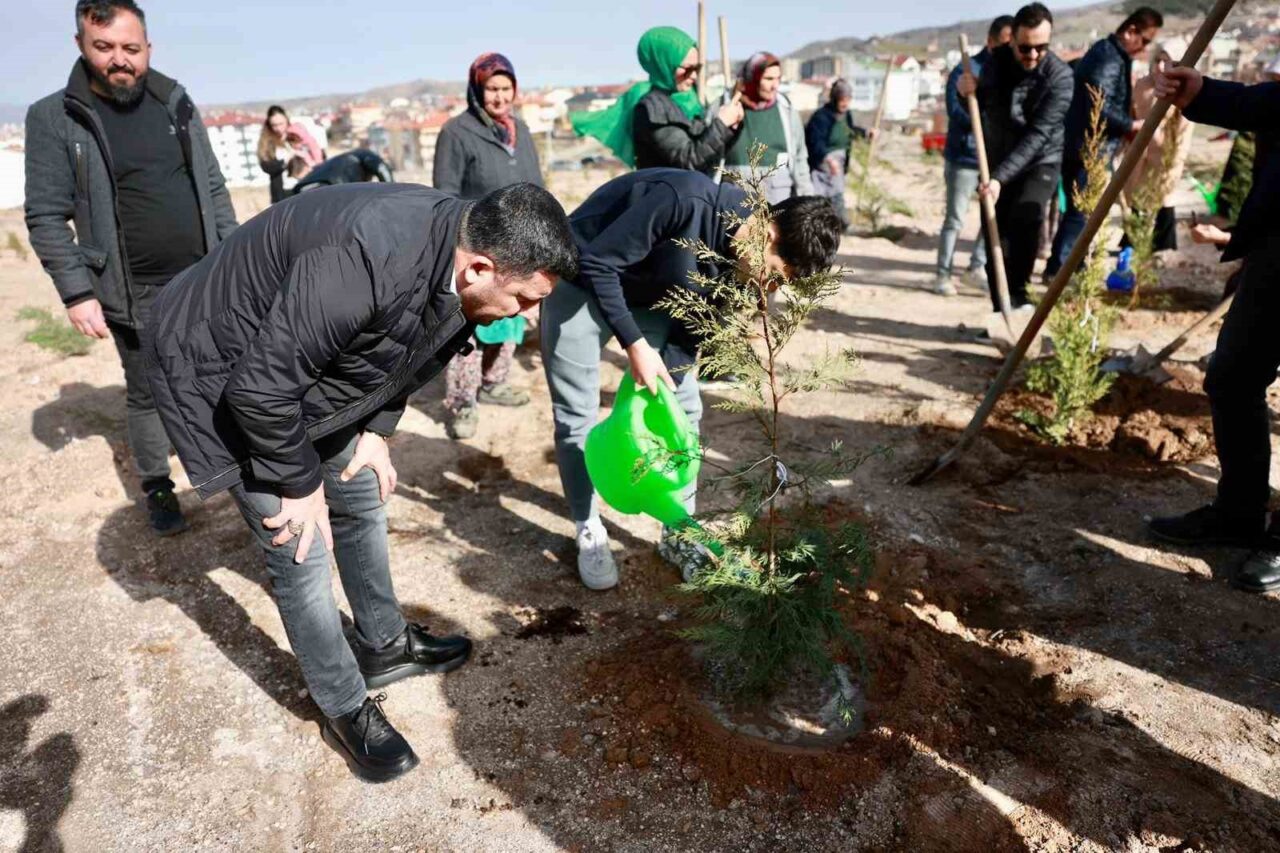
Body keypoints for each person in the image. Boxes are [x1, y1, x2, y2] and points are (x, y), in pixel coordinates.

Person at [144, 181, 579, 780]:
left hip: (293, 363)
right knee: (299, 548)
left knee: (358, 490)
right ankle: (344, 705)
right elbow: (261, 392)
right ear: (481, 267)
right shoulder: (369, 257)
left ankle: (384, 645)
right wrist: (297, 486)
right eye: (525, 300)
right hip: (219, 365)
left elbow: (417, 344)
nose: (528, 318)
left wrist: (378, 426)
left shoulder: (458, 254)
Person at [540, 169, 842, 590]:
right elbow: (598, 263)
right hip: (584, 281)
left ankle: (679, 533)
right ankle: (588, 527)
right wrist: (635, 345)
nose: (766, 287)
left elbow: (690, 326)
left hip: (651, 297)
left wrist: (665, 383)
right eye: (774, 274)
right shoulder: (682, 201)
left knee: (684, 406)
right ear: (768, 234)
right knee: (577, 412)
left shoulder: (740, 266)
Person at [24, 0, 237, 536]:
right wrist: (77, 293)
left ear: (148, 48)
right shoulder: (54, 117)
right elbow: (47, 214)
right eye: (104, 47)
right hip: (130, 288)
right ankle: (157, 484)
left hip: (203, 275)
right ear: (81, 45)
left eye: (131, 48)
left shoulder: (175, 100)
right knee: (147, 392)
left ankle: (235, 469)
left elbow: (212, 187)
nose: (120, 60)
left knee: (225, 374)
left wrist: (236, 259)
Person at [1147, 64, 1280, 594]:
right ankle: (1239, 512)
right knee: (1231, 375)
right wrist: (1203, 95)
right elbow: (1269, 104)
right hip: (1277, 250)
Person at [434, 53, 544, 439]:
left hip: (518, 246)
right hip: (477, 248)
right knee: (468, 329)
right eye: (491, 89)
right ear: (477, 89)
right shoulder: (457, 132)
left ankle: (495, 383)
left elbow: (538, 186)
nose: (499, 97)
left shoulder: (521, 130)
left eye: (505, 89)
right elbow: (445, 197)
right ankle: (463, 403)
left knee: (510, 318)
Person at [959, 3, 1073, 313]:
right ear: (1011, 40)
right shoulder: (997, 63)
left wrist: (999, 178)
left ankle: (1020, 298)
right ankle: (1001, 308)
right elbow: (982, 103)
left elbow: (1038, 135)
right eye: (1025, 48)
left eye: (1041, 48)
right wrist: (965, 90)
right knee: (996, 230)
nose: (1033, 56)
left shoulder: (1060, 78)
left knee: (1026, 220)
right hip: (996, 159)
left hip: (1040, 160)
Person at [1045, 6, 1163, 277]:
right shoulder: (1109, 58)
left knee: (1080, 211)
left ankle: (1070, 266)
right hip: (1089, 147)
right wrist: (1130, 124)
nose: (1143, 48)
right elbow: (1099, 105)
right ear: (1131, 31)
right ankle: (1061, 269)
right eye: (1144, 40)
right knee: (1081, 211)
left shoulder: (1110, 55)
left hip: (1086, 144)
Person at [572, 26, 744, 173]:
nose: (693, 76)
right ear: (663, 65)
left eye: (697, 67)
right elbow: (688, 161)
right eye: (686, 69)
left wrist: (731, 127)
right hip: (666, 203)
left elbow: (710, 155)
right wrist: (721, 124)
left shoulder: (687, 101)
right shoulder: (653, 108)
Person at [934, 15, 1014, 296]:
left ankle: (975, 267)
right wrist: (978, 112)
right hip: (964, 157)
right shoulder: (966, 70)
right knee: (955, 218)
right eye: (1006, 42)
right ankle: (942, 274)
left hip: (993, 159)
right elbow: (955, 111)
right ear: (992, 41)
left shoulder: (1007, 71)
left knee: (990, 216)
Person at [1122, 37, 1194, 255]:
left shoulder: (1182, 93)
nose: (1161, 67)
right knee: (1137, 197)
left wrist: (1175, 156)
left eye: (1168, 62)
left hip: (1165, 154)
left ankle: (1163, 244)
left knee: (1164, 196)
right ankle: (1132, 240)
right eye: (1158, 60)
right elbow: (1131, 114)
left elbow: (1183, 130)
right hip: (1139, 152)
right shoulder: (1142, 86)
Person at [721, 52, 813, 203]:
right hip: (735, 202)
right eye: (768, 79)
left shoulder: (786, 111)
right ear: (753, 78)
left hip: (777, 201)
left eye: (778, 79)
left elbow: (800, 157)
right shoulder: (727, 106)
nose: (775, 85)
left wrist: (807, 199)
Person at [804, 79, 870, 232]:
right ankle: (828, 225)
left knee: (836, 193)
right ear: (835, 99)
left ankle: (838, 225)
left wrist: (866, 133)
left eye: (848, 100)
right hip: (822, 164)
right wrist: (828, 159)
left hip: (838, 162)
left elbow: (849, 130)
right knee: (822, 197)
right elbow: (815, 142)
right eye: (842, 100)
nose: (845, 104)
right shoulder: (821, 117)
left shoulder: (846, 115)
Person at [257, 105, 325, 204]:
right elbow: (267, 167)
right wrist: (286, 159)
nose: (278, 128)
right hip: (283, 193)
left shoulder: (297, 134)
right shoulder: (267, 142)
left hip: (305, 186)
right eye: (274, 125)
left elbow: (316, 151)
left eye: (281, 124)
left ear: (287, 120)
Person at [290, 147, 392, 192]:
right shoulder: (363, 155)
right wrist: (392, 193)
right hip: (332, 187)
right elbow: (381, 169)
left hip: (306, 192)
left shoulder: (320, 169)